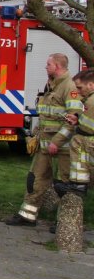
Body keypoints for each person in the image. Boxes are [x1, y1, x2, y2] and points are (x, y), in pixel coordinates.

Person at [5, 54, 83, 228]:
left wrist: (57, 141)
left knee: (64, 184)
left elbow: (73, 120)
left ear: (57, 66)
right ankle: (27, 216)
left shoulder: (69, 86)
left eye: (48, 64)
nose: (45, 67)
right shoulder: (52, 85)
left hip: (61, 148)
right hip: (44, 145)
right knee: (35, 179)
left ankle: (65, 222)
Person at [55, 69, 94, 198]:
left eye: (80, 87)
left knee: (78, 139)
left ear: (91, 85)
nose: (77, 91)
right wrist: (77, 118)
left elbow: (87, 128)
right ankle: (78, 184)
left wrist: (77, 126)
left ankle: (78, 185)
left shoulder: (91, 101)